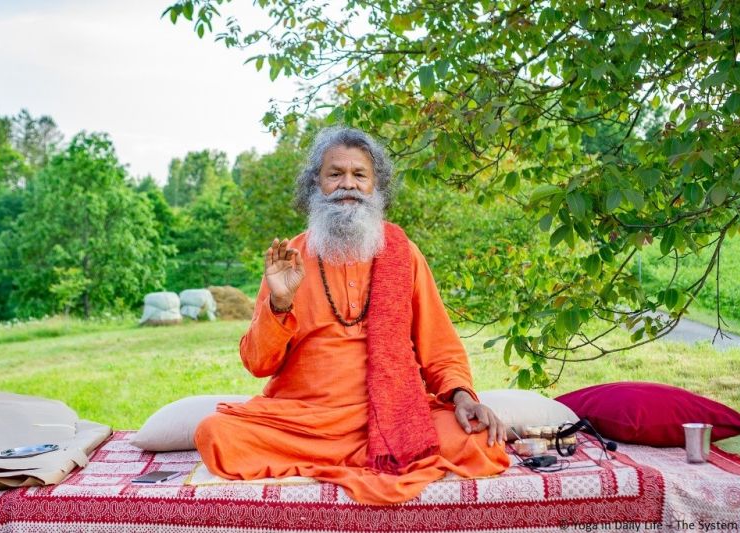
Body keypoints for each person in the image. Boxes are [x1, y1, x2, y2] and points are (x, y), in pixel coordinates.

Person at [195, 126, 510, 504]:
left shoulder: (403, 253)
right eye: (335, 174)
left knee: (480, 440)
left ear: (376, 185)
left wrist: (462, 397)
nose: (348, 185)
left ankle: (354, 456)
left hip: (394, 415)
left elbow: (440, 348)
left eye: (359, 174)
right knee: (215, 434)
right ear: (316, 183)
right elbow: (259, 363)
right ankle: (363, 458)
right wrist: (279, 302)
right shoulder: (290, 260)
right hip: (305, 421)